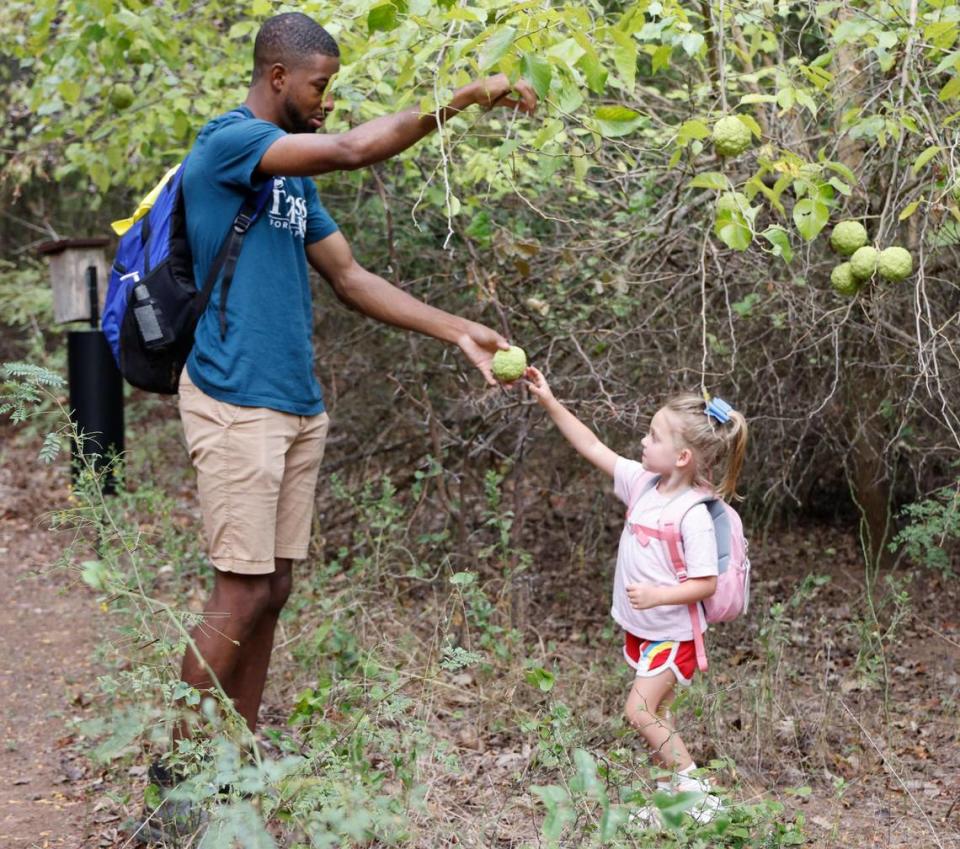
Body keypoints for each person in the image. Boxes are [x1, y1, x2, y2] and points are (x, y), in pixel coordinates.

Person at [160, 11, 534, 770]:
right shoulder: (228, 143)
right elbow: (355, 149)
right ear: (277, 78)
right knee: (237, 591)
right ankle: (176, 772)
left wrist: (458, 328)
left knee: (272, 589)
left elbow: (351, 277)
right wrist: (461, 98)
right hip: (235, 399)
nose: (328, 99)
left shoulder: (288, 184)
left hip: (295, 404)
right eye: (320, 85)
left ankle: (240, 748)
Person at [524, 366, 748, 826]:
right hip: (644, 632)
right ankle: (673, 805)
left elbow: (704, 583)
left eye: (653, 435)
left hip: (674, 636)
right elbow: (590, 445)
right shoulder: (643, 484)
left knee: (640, 711)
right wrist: (549, 400)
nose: (643, 442)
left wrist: (658, 595)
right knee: (659, 715)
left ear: (683, 456)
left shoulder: (693, 514)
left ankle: (700, 795)